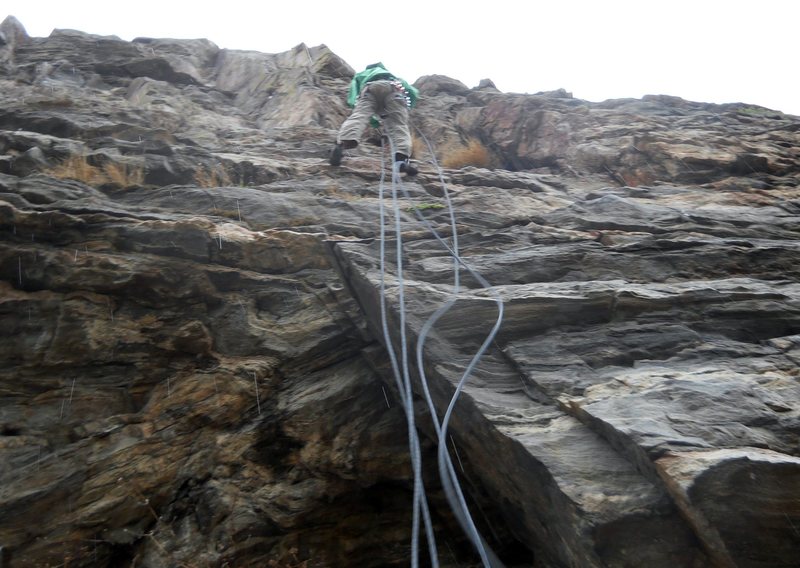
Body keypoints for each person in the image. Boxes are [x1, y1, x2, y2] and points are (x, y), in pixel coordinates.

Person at [330, 62, 420, 175]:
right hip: (393, 89)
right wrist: (405, 108)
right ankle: (401, 159)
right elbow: (412, 92)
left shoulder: (362, 75)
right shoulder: (391, 75)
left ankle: (342, 143)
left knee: (359, 117)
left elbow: (353, 94)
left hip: (369, 88)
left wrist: (371, 120)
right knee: (398, 124)